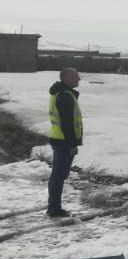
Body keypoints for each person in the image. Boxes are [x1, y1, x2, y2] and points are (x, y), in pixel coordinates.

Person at [47, 67, 82, 218]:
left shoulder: (61, 93)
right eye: (76, 77)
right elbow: (67, 123)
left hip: (59, 139)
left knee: (58, 175)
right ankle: (54, 209)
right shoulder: (65, 96)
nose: (79, 79)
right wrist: (72, 144)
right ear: (67, 78)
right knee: (59, 175)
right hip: (63, 141)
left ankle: (53, 206)